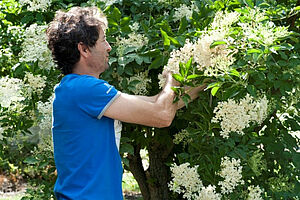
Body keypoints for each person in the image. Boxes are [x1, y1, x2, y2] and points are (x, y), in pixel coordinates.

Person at [47, 6, 204, 200]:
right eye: (103, 40)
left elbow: (156, 104)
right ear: (84, 49)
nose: (109, 47)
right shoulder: (84, 89)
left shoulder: (75, 89)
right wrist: (173, 74)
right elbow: (161, 115)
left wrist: (206, 81)